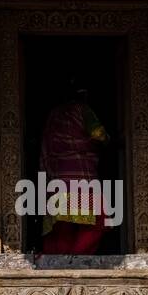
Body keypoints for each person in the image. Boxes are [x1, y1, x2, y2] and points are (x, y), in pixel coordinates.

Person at [38, 84, 109, 255]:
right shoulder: (82, 109)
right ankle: (77, 258)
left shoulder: (53, 115)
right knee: (98, 222)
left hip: (57, 179)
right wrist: (108, 139)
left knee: (62, 228)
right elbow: (99, 133)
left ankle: (61, 263)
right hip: (81, 178)